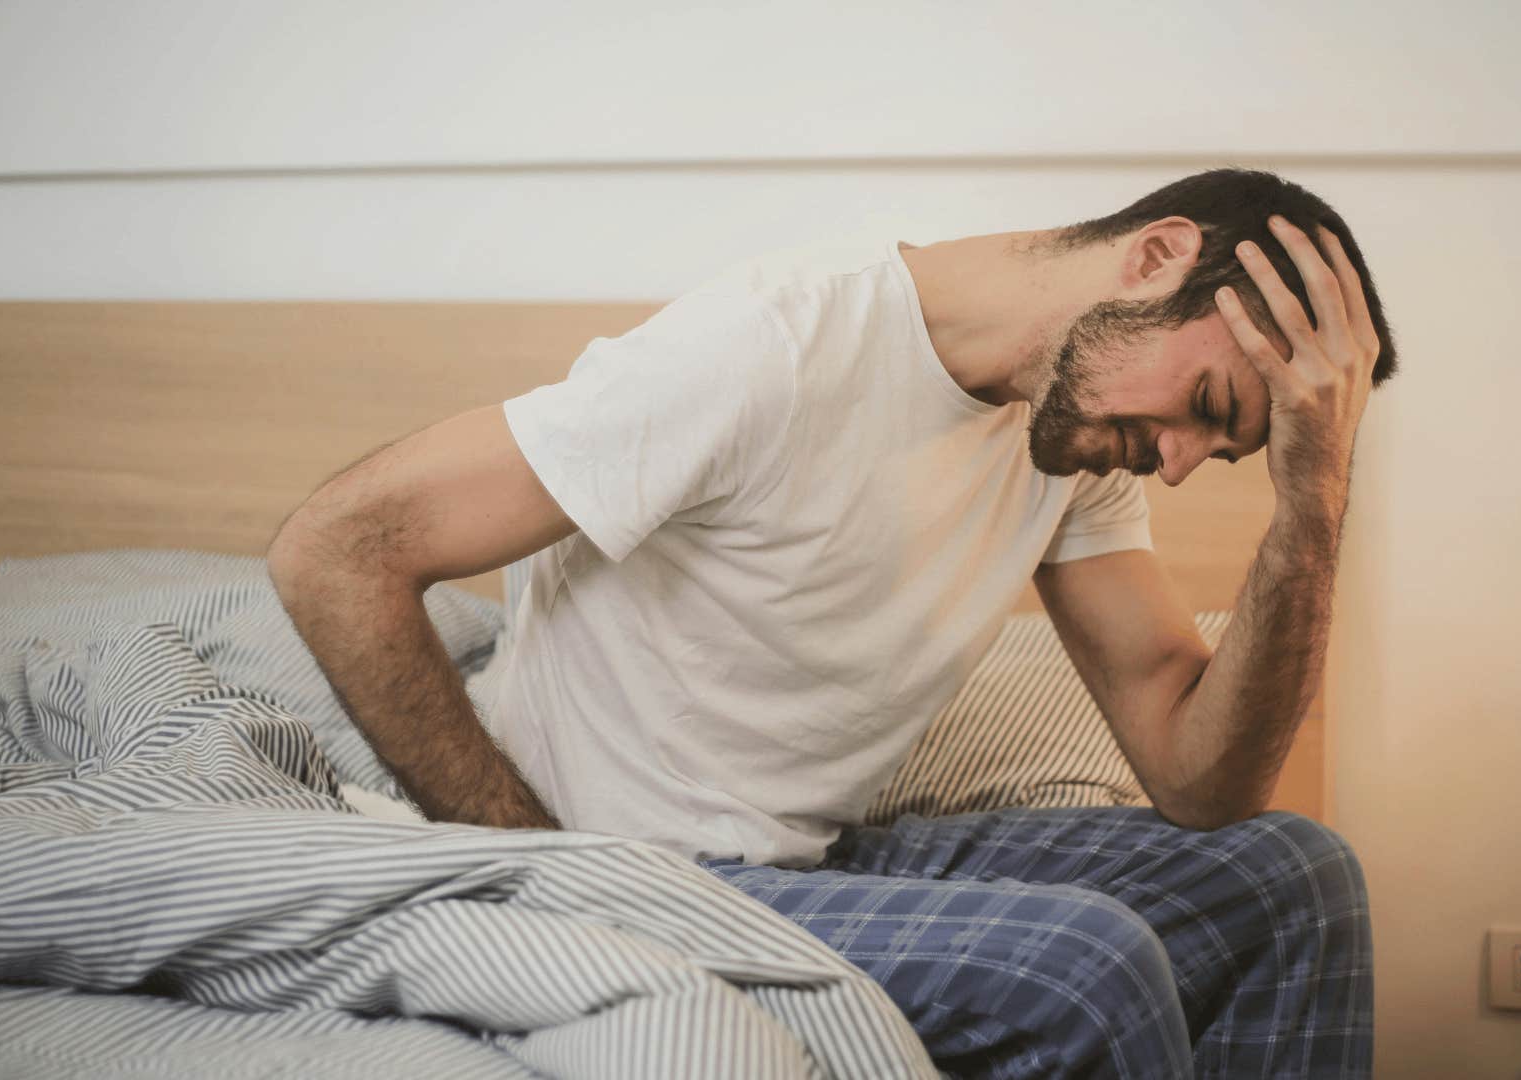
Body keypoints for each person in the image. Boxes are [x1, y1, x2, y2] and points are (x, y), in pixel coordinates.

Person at [268, 167, 1397, 1078]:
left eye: (1229, 450)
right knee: (1082, 968)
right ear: (1156, 255)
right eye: (1207, 408)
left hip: (803, 860)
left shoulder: (1075, 439)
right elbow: (337, 548)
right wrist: (543, 872)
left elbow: (1202, 783)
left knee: (1288, 877)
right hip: (626, 868)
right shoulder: (773, 346)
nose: (1186, 461)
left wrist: (1314, 495)